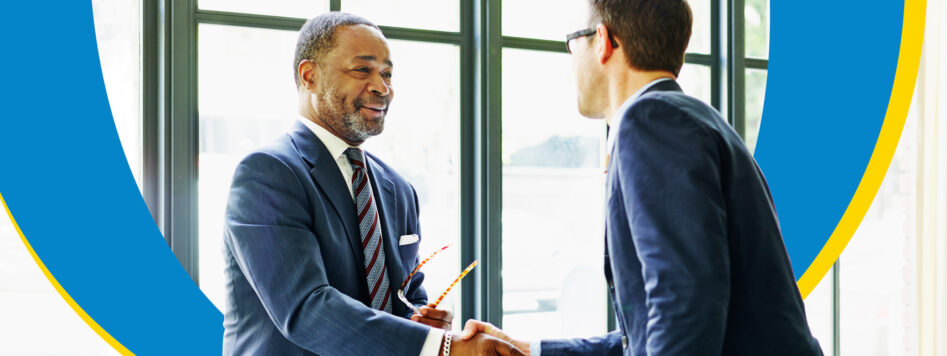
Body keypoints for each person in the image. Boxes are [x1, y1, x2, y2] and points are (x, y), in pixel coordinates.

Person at [463, 1, 824, 355]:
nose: (570, 60)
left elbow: (684, 305)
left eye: (572, 42)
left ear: (603, 41)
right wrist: (526, 350)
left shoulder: (650, 121)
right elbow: (649, 336)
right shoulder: (695, 120)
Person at [222, 12, 522, 356]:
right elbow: (306, 309)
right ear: (310, 76)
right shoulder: (268, 174)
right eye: (362, 70)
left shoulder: (397, 188)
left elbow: (409, 297)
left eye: (387, 73)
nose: (382, 87)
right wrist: (442, 349)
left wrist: (423, 324)